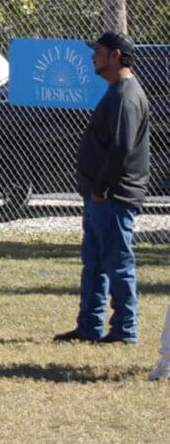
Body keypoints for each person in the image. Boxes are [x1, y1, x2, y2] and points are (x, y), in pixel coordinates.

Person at [54, 31, 150, 345]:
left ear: (116, 55)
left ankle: (124, 329)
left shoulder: (125, 95)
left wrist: (101, 188)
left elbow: (121, 147)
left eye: (99, 51)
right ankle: (89, 326)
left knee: (118, 264)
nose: (93, 56)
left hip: (113, 196)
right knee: (95, 264)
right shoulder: (116, 92)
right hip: (101, 197)